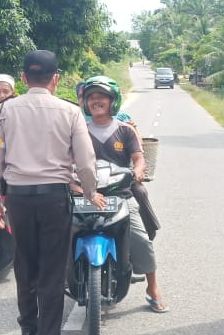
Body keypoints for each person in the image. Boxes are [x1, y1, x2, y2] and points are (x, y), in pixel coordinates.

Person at [0, 50, 105, 335]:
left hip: (19, 200)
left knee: (25, 265)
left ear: (23, 79)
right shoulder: (70, 111)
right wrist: (90, 192)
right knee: (52, 267)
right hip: (54, 198)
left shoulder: (2, 112)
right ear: (56, 79)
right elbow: (86, 161)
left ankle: (28, 332)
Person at [72, 75, 169, 313]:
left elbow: (139, 159)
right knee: (58, 236)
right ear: (85, 102)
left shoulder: (125, 130)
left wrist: (137, 172)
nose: (96, 101)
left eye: (102, 97)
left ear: (112, 101)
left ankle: (153, 287)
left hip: (121, 195)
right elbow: (66, 161)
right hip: (84, 196)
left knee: (140, 239)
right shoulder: (78, 130)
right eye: (91, 97)